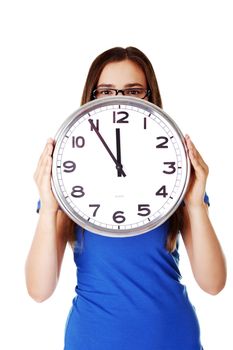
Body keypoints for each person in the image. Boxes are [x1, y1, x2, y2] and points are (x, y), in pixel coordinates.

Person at [25, 47, 227, 350]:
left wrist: (196, 204)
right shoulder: (71, 177)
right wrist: (49, 207)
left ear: (150, 98)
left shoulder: (172, 173)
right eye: (106, 91)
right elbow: (39, 291)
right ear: (91, 98)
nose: (119, 99)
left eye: (133, 91)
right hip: (92, 340)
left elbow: (213, 284)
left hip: (172, 339)